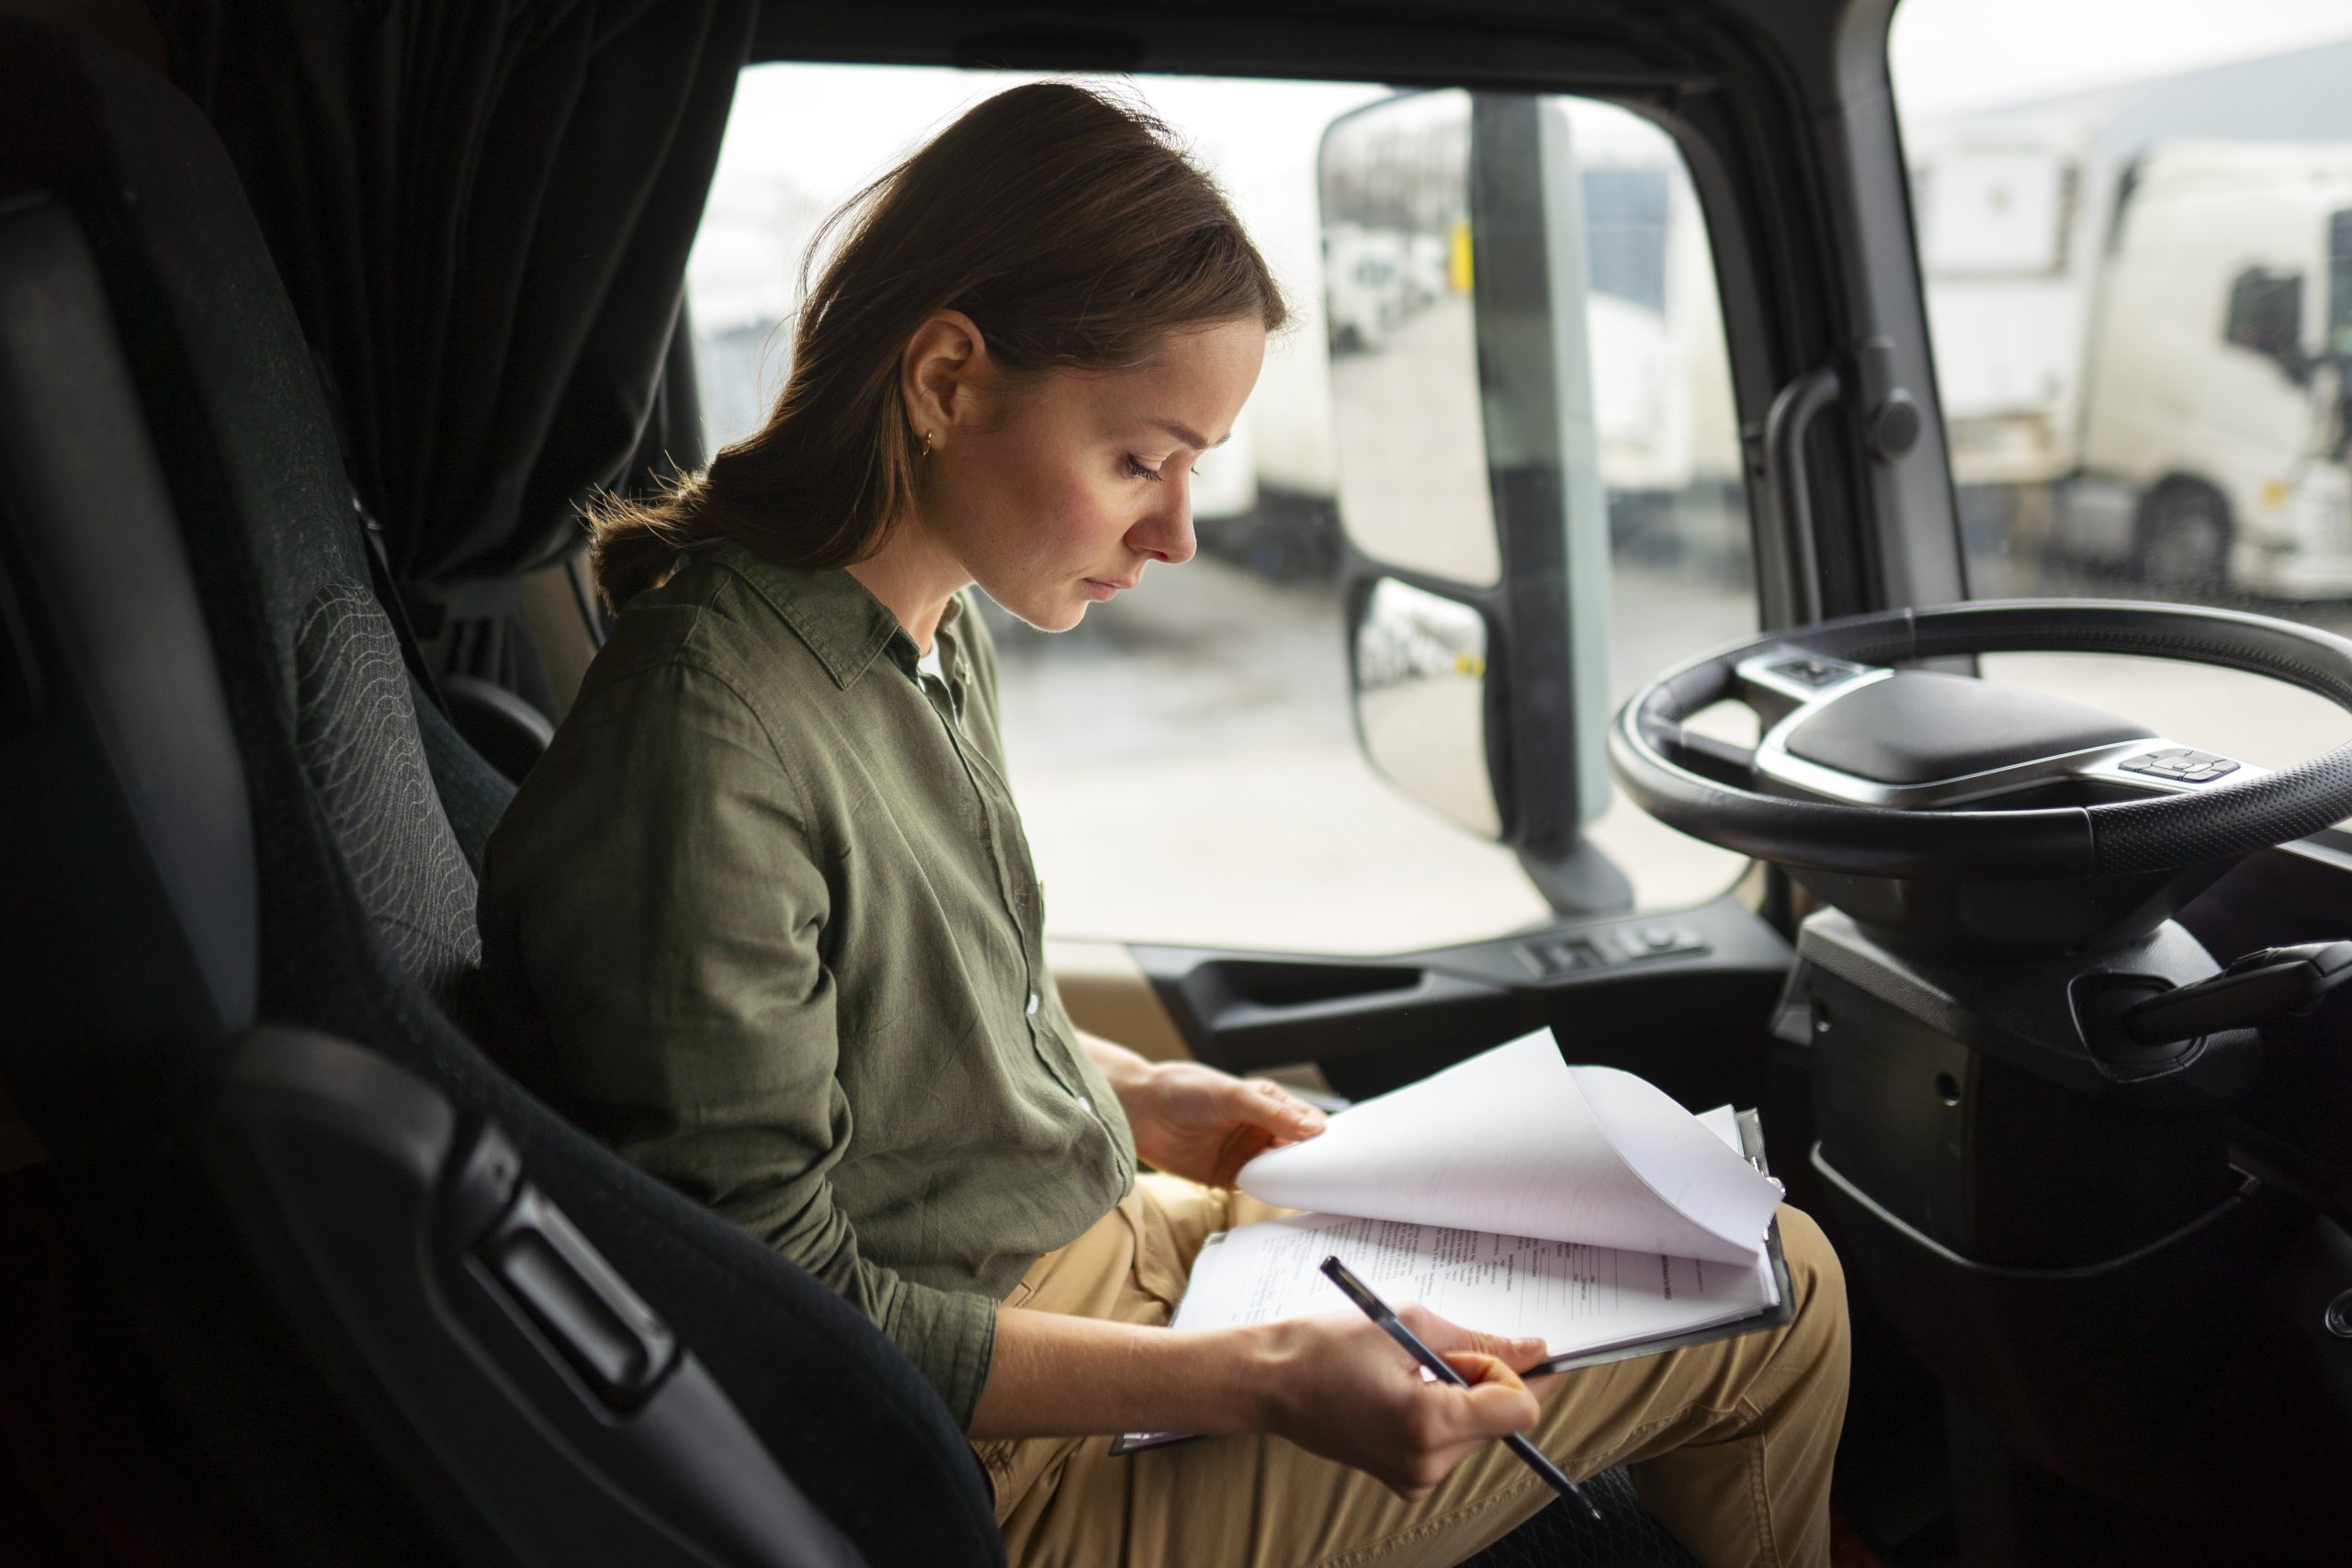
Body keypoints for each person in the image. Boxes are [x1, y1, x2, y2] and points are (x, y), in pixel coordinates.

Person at [474, 80, 1849, 1568]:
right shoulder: (712, 742)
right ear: (946, 380)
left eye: (1197, 466)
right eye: (1139, 460)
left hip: (1099, 1247)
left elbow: (913, 1025)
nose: (1181, 533)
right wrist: (1262, 1379)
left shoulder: (923, 623)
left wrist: (1135, 1093)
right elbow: (778, 1310)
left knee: (1710, 1236)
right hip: (993, 1456)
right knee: (1780, 1298)